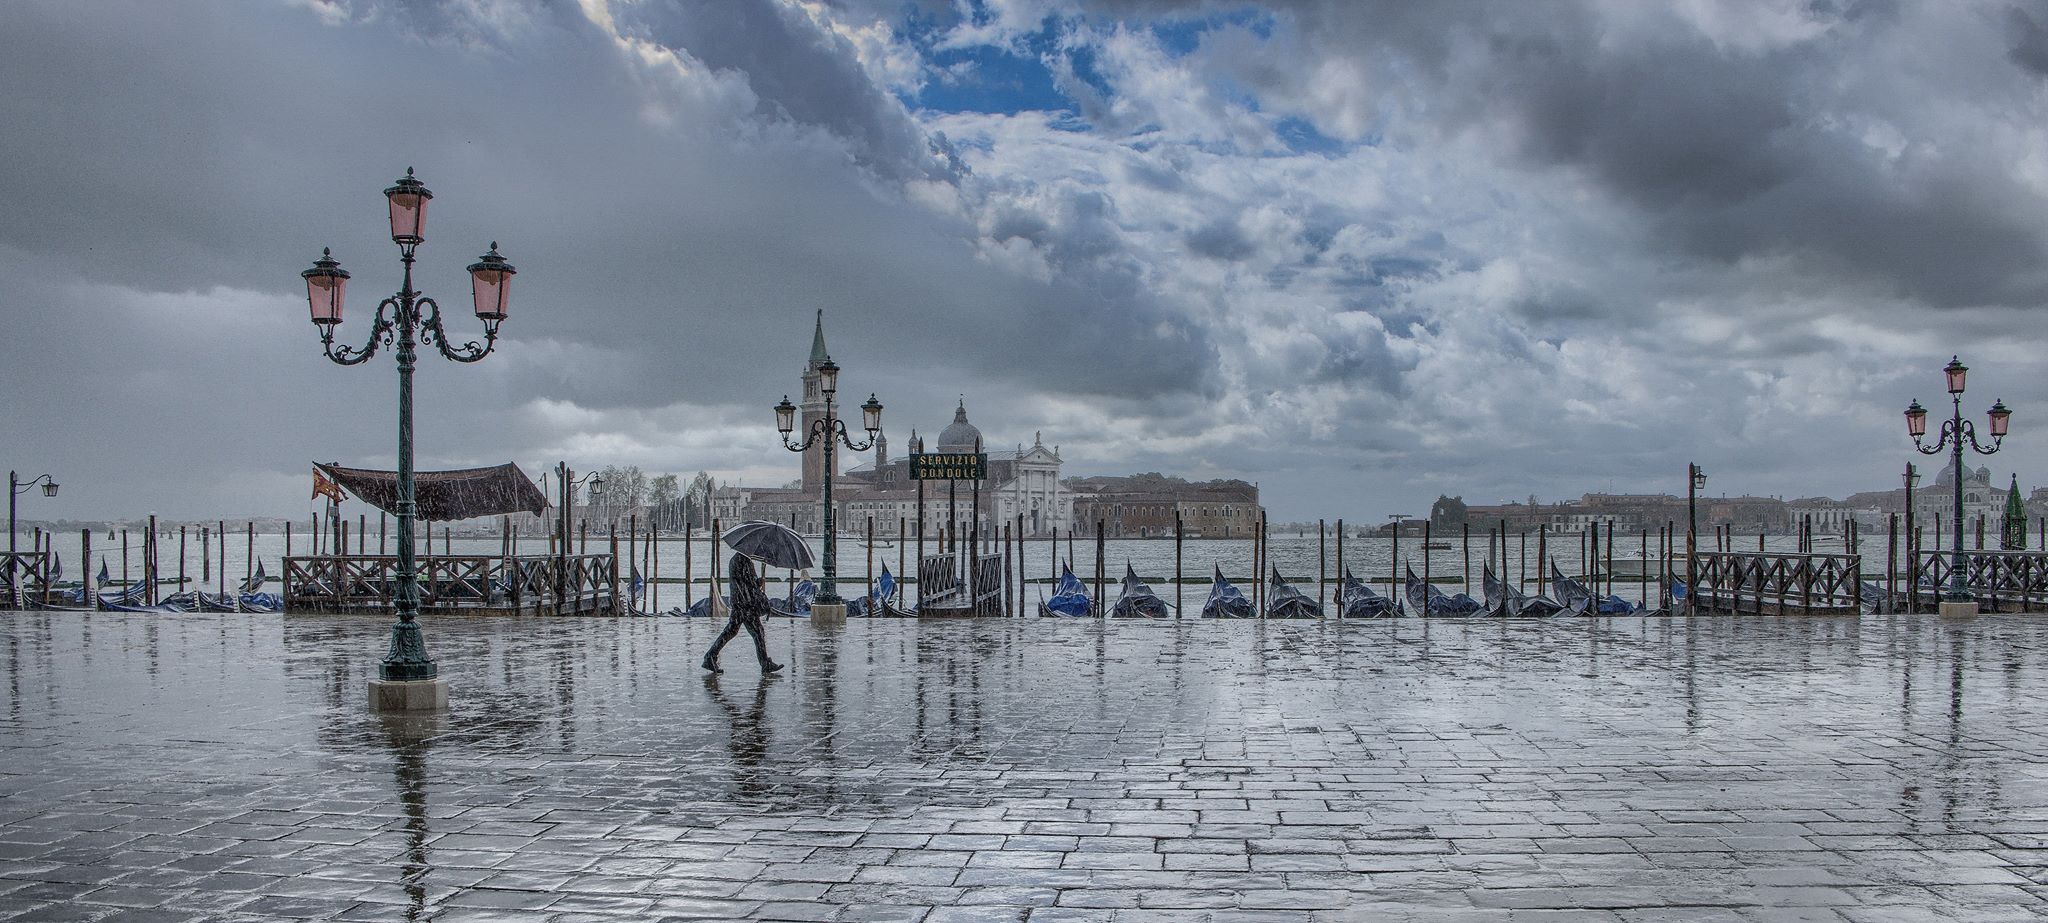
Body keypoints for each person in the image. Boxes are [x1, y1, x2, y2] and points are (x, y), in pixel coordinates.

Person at [702, 553, 783, 673]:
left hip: (741, 601)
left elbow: (744, 582)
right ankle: (765, 663)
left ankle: (710, 656)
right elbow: (747, 583)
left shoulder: (738, 560)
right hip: (745, 603)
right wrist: (758, 583)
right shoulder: (743, 561)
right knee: (756, 632)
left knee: (736, 631)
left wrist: (755, 582)